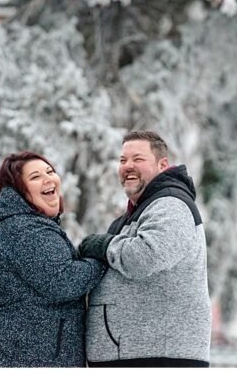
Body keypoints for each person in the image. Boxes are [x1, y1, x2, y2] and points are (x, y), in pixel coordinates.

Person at [0, 152, 106, 367]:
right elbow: (63, 281)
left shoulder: (28, 225)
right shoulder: (24, 229)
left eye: (50, 172)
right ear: (19, 191)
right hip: (2, 357)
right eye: (35, 177)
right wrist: (103, 257)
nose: (48, 179)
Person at [79, 130, 211, 367]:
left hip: (159, 355)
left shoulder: (171, 205)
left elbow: (144, 257)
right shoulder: (140, 211)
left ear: (162, 165)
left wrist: (104, 244)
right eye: (123, 160)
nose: (128, 166)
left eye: (138, 159)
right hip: (137, 353)